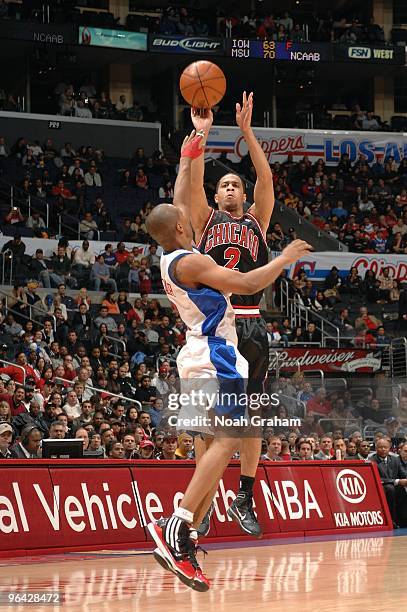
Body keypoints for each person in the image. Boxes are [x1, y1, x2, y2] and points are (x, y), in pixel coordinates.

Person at [145, 130, 311, 591]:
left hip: (197, 352)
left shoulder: (175, 254)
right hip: (216, 355)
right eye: (186, 216)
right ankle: (177, 524)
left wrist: (195, 140)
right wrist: (286, 257)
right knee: (227, 440)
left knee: (219, 448)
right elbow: (248, 284)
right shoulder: (192, 261)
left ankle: (185, 538)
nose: (190, 213)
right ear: (183, 227)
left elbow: (184, 187)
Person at [181, 92, 277, 539]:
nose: (233, 188)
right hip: (217, 330)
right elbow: (194, 182)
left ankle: (244, 496)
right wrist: (201, 134)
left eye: (236, 184)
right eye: (226, 185)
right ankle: (198, 513)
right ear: (218, 196)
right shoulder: (204, 222)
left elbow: (266, 176)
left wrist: (247, 132)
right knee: (208, 428)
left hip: (252, 324)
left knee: (253, 419)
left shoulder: (257, 222)